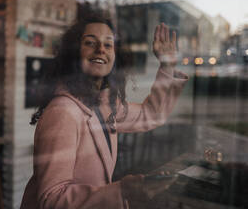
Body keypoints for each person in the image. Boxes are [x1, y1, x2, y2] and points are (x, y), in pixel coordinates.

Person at [20, 14, 188, 209]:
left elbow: (151, 115)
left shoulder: (103, 105)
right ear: (74, 53)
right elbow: (51, 200)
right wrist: (123, 191)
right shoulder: (62, 112)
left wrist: (167, 65)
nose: (101, 49)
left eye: (108, 45)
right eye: (90, 43)